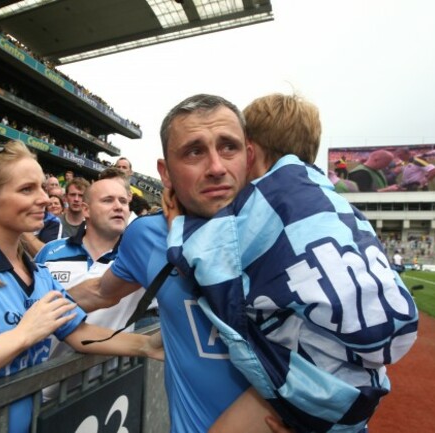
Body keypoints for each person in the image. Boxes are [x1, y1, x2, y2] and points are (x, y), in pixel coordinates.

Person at [165, 93, 419, 433]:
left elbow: (209, 261)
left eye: (233, 148)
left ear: (250, 151)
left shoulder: (265, 201)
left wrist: (176, 228)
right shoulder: (337, 203)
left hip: (317, 388)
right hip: (363, 382)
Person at [0, 140, 163, 433]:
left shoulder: (39, 275)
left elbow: (79, 333)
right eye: (26, 189)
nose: (44, 198)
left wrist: (146, 345)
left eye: (41, 186)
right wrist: (22, 334)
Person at [71, 94, 286, 433]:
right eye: (194, 151)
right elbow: (100, 291)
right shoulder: (146, 236)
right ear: (165, 172)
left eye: (228, 147)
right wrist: (34, 303)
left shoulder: (290, 234)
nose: (216, 167)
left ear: (249, 157)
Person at [35, 178, 145, 396]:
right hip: (42, 391)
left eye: (123, 201)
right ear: (86, 210)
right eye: (108, 200)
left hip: (105, 391)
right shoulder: (50, 253)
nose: (119, 206)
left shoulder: (139, 260)